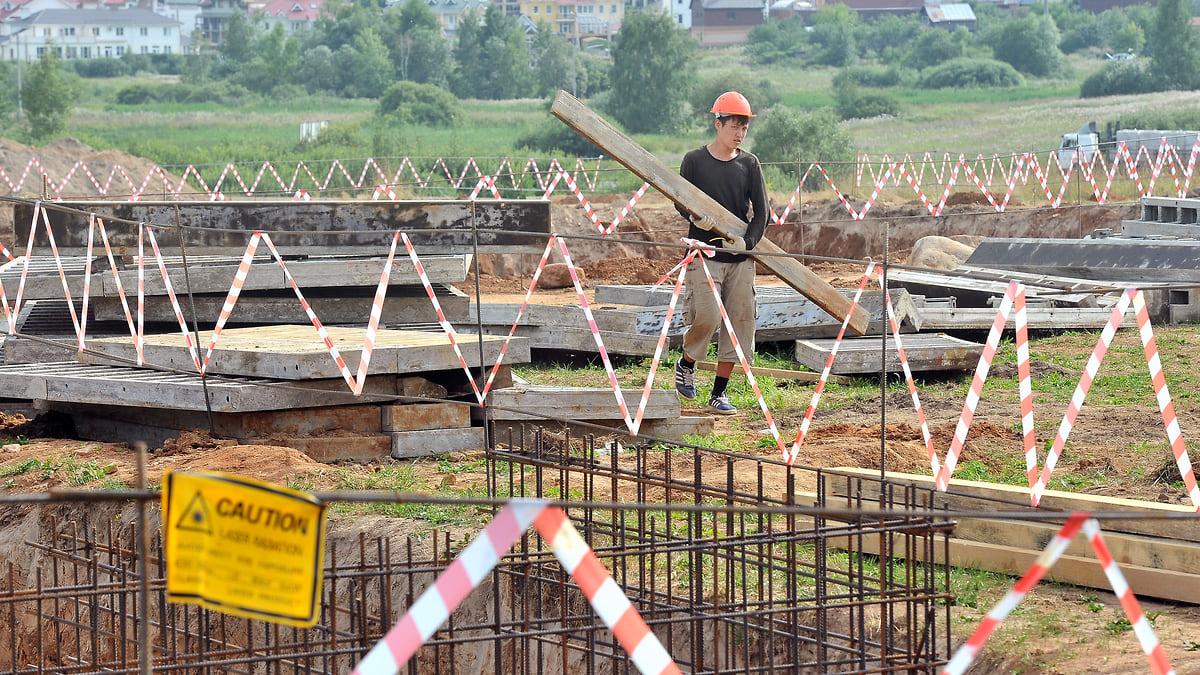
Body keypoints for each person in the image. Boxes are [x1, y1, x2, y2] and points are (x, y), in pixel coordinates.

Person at [673, 91, 770, 415]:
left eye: (744, 128)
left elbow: (762, 213)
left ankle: (718, 393)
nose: (739, 134)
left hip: (739, 259)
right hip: (704, 254)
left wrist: (749, 243)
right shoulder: (695, 161)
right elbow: (679, 199)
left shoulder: (749, 164)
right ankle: (687, 363)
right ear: (718, 124)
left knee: (740, 324)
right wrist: (692, 216)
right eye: (734, 126)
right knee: (708, 317)